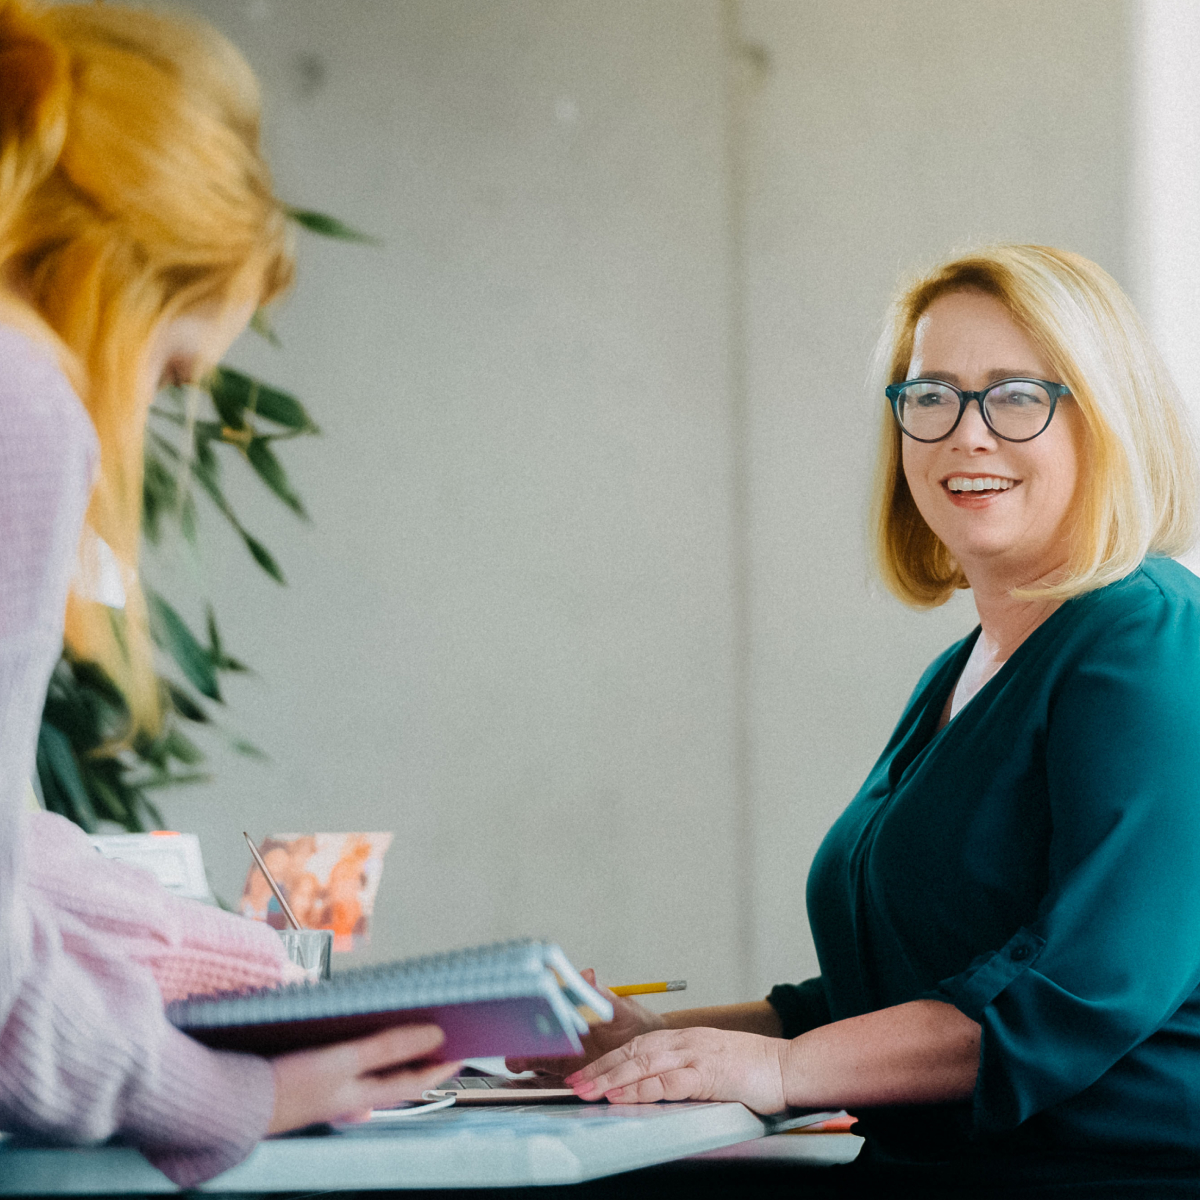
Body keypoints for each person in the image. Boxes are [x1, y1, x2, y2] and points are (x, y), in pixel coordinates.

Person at [535, 245, 1200, 1196]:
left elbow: (1077, 994)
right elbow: (890, 993)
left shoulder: (1151, 640)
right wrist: (659, 1042)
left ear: (1108, 422)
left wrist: (777, 1073)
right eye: (931, 396)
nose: (966, 434)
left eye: (1016, 396)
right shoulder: (964, 672)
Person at [0, 1, 456, 1186]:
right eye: (169, 370)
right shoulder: (20, 399)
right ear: (116, 286)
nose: (144, 420)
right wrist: (230, 1089)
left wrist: (205, 953)